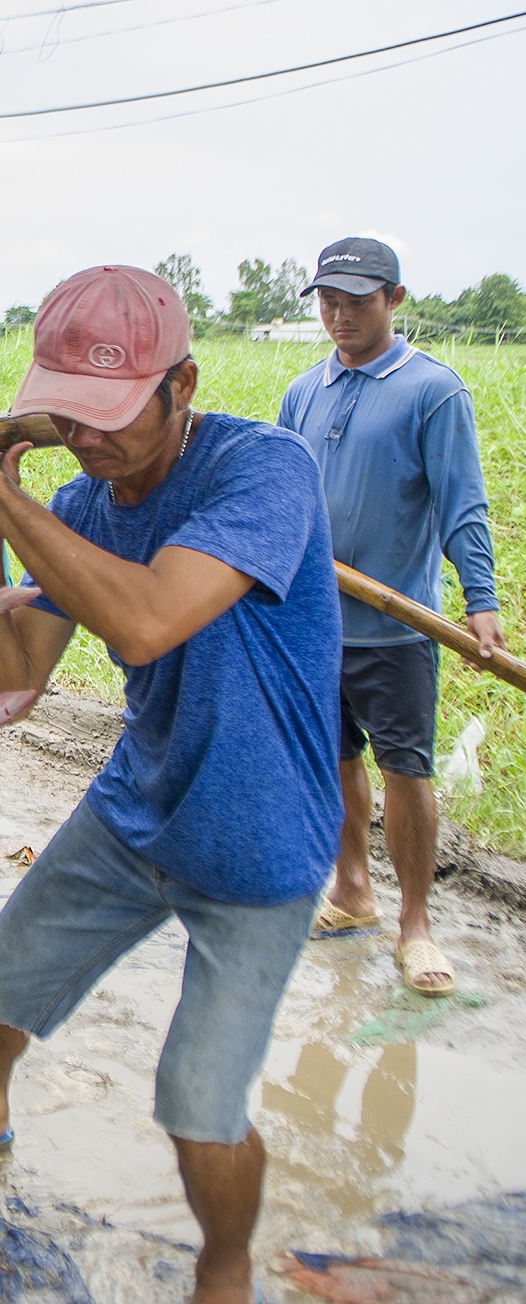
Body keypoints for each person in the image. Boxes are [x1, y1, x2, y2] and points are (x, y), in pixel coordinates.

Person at [0, 266, 343, 1304]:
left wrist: (2, 489)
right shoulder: (83, 499)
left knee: (195, 1099)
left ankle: (223, 1267)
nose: (85, 438)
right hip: (138, 801)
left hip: (257, 837)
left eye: (109, 414)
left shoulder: (262, 470)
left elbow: (141, 620)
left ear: (179, 385)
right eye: (69, 415)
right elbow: (17, 671)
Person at [278, 237, 505, 999]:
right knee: (335, 759)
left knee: (406, 769)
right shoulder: (304, 391)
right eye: (328, 301)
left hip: (396, 627)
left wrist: (482, 603)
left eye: (357, 301)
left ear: (396, 299)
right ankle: (351, 892)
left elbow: (462, 505)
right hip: (316, 619)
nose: (339, 316)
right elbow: (284, 496)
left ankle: (415, 925)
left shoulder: (432, 390)